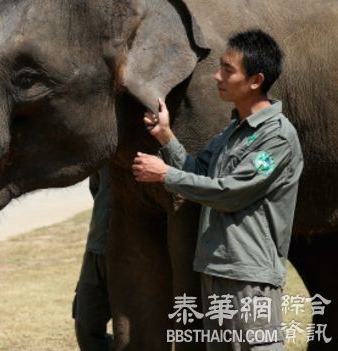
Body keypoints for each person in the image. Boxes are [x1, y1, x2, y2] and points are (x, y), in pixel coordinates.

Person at [132, 30, 303, 351]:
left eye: (228, 69)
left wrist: (166, 175)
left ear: (255, 80)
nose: (217, 76)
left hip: (249, 276)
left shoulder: (276, 138)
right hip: (215, 268)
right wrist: (166, 137)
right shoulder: (232, 132)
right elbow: (198, 172)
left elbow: (230, 193)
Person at [72, 165, 112, 350]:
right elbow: (96, 188)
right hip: (96, 248)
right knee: (85, 325)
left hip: (133, 256)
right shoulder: (106, 149)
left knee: (130, 331)